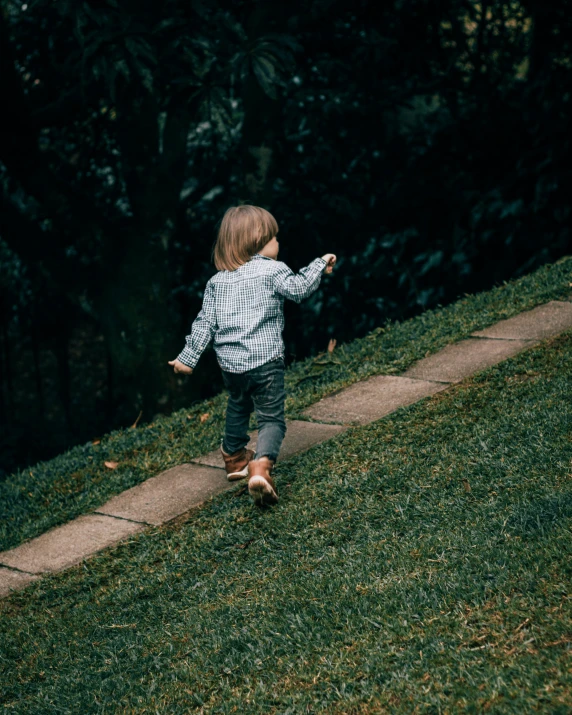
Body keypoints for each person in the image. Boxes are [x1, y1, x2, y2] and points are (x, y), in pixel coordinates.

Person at [168, 205, 336, 506]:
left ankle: (234, 458)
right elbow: (298, 290)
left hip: (231, 367)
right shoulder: (272, 270)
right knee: (272, 419)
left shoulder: (217, 283)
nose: (278, 243)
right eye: (274, 237)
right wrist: (319, 264)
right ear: (258, 239)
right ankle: (261, 466)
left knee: (238, 404)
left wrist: (187, 359)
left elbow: (205, 323)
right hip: (265, 363)